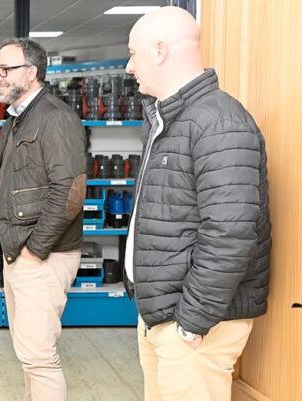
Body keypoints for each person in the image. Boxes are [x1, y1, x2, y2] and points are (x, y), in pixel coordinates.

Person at [123, 7, 271, 401]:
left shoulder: (219, 122)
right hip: (162, 315)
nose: (128, 67)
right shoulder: (169, 120)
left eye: (133, 54)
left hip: (191, 326)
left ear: (159, 51)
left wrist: (192, 321)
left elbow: (230, 234)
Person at [0, 38, 86, 401]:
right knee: (29, 355)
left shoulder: (55, 118)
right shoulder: (18, 120)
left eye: (6, 70)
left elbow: (71, 191)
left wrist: (36, 249)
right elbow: (0, 186)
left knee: (39, 357)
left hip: (41, 255)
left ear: (31, 73)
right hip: (19, 252)